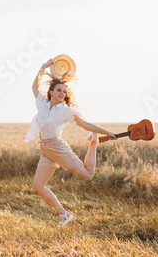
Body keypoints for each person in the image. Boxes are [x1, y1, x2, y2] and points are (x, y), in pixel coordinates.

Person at [24, 58, 117, 228]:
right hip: (45, 148)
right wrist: (42, 68)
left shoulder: (65, 111)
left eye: (64, 92)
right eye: (59, 90)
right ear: (50, 92)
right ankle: (64, 214)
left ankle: (93, 144)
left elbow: (85, 124)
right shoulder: (42, 104)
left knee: (87, 176)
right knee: (38, 185)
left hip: (57, 147)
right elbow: (34, 87)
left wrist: (106, 132)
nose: (62, 93)